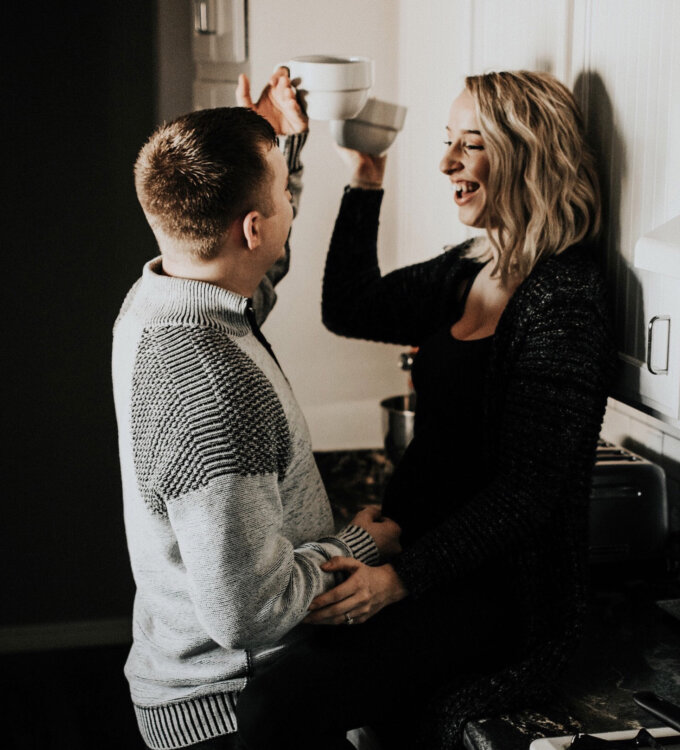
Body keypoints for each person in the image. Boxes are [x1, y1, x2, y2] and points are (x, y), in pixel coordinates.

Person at [235, 71, 616, 750]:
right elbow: (349, 306)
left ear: (526, 153)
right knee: (276, 680)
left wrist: (400, 581)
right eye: (448, 143)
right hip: (414, 565)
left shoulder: (565, 296)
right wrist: (366, 178)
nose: (447, 164)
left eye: (471, 145)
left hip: (494, 595)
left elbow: (527, 495)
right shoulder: (472, 267)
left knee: (278, 700)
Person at [111, 68, 401, 750]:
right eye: (283, 198)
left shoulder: (158, 301)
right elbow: (250, 609)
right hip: (238, 714)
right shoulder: (214, 388)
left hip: (206, 690)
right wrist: (359, 543)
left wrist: (276, 147)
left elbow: (254, 275)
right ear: (250, 226)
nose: (290, 210)